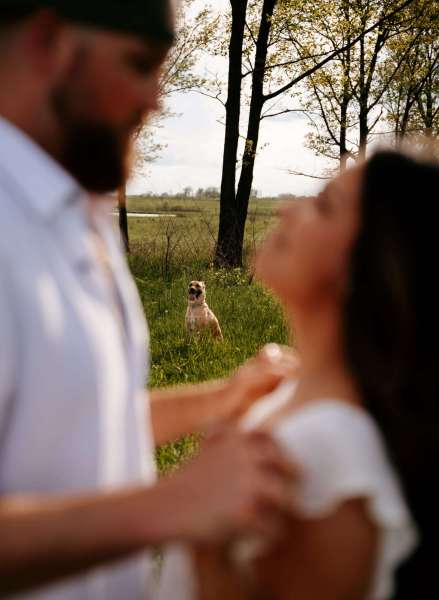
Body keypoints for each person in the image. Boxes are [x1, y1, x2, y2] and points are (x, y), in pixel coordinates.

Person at [0, 2, 298, 598]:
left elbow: (76, 429)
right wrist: (173, 505)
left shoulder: (79, 215)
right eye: (139, 64)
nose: (157, 99)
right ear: (48, 40)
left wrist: (220, 399)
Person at [158, 150, 439, 600]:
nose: (289, 208)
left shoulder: (332, 450)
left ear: (366, 266)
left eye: (323, 205)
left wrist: (205, 536)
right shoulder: (288, 396)